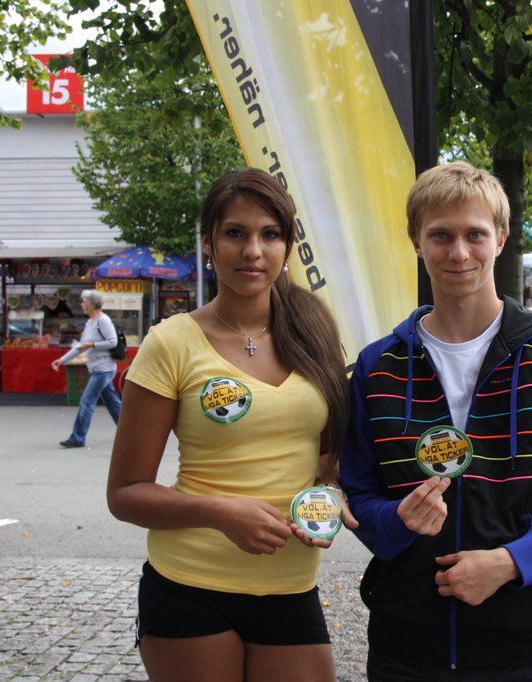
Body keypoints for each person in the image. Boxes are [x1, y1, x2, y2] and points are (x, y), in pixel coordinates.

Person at [341, 161, 532, 679]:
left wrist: (511, 562)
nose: (459, 252)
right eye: (441, 235)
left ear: (501, 239)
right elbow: (358, 492)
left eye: (475, 234)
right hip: (403, 646)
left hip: (517, 646)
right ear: (416, 242)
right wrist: (395, 522)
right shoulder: (377, 365)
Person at [105, 169, 352, 681]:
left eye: (270, 234)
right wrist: (221, 512)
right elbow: (125, 494)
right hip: (189, 586)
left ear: (287, 246)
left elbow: (328, 462)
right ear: (208, 243)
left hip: (291, 586)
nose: (252, 251)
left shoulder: (315, 332)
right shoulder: (171, 342)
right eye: (235, 233)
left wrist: (329, 499)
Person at [51, 290, 122, 448]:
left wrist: (93, 345)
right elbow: (80, 347)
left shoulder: (103, 321)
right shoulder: (90, 323)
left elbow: (113, 342)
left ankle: (77, 437)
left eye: (84, 302)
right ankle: (130, 431)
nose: (81, 304)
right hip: (96, 367)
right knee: (113, 404)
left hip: (103, 368)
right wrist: (62, 360)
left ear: (93, 304)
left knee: (87, 401)